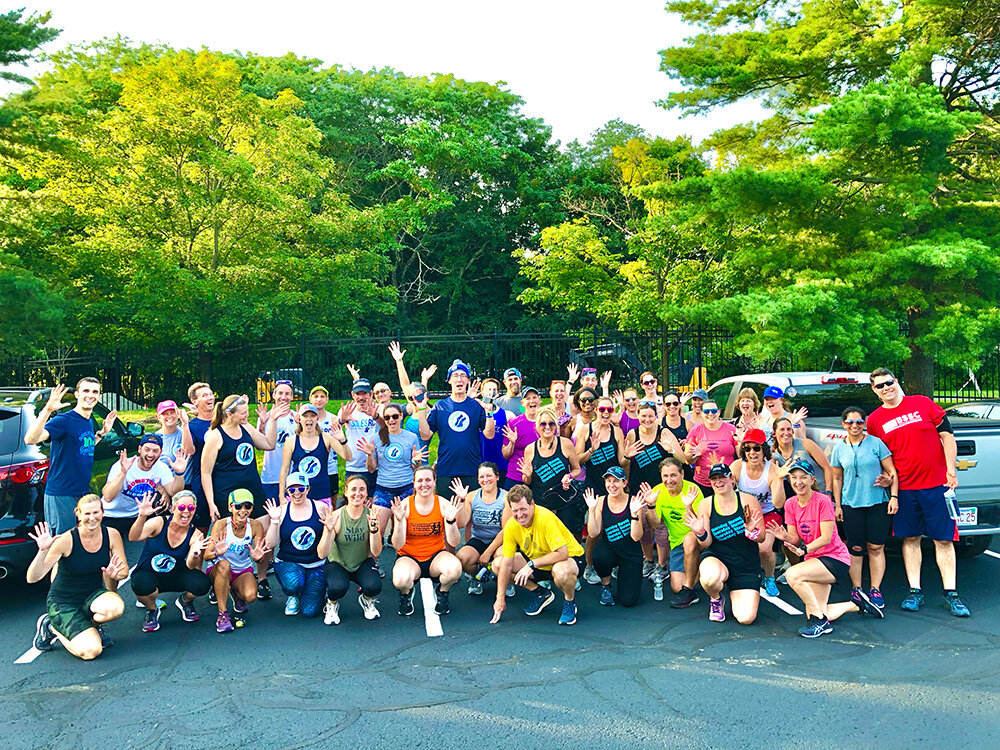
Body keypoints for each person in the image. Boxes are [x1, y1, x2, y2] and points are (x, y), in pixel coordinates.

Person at [866, 367, 969, 616]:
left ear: (896, 381)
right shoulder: (874, 420)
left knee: (944, 539)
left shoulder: (922, 404)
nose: (886, 388)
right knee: (911, 539)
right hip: (905, 489)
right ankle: (915, 591)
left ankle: (951, 594)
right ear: (874, 390)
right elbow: (879, 455)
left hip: (937, 486)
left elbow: (947, 436)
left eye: (888, 382)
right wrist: (886, 479)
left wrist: (951, 471)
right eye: (879, 386)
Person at [768, 459, 883, 637]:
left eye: (803, 477)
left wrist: (805, 550)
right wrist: (785, 537)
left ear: (812, 480)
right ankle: (857, 604)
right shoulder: (790, 504)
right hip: (813, 561)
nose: (798, 482)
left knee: (792, 575)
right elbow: (795, 538)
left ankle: (820, 623)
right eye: (794, 478)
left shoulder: (823, 501)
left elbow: (826, 537)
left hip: (835, 559)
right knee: (817, 610)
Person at [201, 394, 284, 600]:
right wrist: (211, 503)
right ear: (230, 414)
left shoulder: (246, 428)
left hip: (254, 493)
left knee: (262, 537)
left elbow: (269, 444)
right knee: (223, 540)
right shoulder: (215, 435)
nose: (247, 413)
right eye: (244, 410)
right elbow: (205, 472)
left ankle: (262, 578)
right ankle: (220, 582)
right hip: (227, 497)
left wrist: (272, 420)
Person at [28, 495, 128, 660]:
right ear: (78, 514)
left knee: (115, 607)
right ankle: (53, 627)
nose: (92, 518)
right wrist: (43, 550)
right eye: (86, 514)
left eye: (96, 512)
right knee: (91, 651)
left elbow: (123, 570)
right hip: (64, 601)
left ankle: (91, 627)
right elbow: (33, 578)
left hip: (91, 595)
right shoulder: (66, 540)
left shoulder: (111, 534)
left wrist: (115, 574)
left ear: (103, 513)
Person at [24, 379, 118, 535]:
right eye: (86, 391)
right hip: (61, 493)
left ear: (99, 396)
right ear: (77, 394)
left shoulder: (87, 421)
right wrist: (47, 409)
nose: (90, 395)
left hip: (81, 492)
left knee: (76, 541)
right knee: (61, 542)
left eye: (95, 392)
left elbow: (83, 446)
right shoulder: (64, 421)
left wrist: (102, 433)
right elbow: (30, 439)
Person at [830, 406, 898, 613]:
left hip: (877, 502)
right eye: (850, 422)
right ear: (843, 424)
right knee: (856, 548)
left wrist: (893, 495)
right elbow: (836, 477)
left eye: (859, 422)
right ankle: (857, 589)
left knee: (876, 548)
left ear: (864, 424)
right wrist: (838, 504)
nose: (855, 426)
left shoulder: (876, 444)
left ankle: (875, 589)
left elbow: (892, 472)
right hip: (851, 504)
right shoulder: (838, 449)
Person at [490, 484, 586, 626]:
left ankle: (569, 602)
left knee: (562, 572)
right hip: (539, 561)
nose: (519, 515)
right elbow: (507, 564)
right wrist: (500, 599)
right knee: (498, 565)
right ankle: (541, 593)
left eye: (523, 509)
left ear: (532, 504)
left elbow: (562, 553)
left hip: (568, 559)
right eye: (515, 510)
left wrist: (532, 565)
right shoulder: (511, 525)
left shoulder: (545, 519)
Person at [686, 464, 764, 625]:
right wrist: (700, 532)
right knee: (709, 578)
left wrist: (751, 532)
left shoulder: (748, 500)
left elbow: (762, 537)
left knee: (746, 618)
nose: (718, 481)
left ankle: (736, 590)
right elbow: (707, 543)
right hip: (718, 558)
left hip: (745, 564)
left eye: (722, 477)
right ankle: (716, 599)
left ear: (732, 479)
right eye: (714, 479)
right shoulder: (706, 504)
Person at [128, 489, 211, 632]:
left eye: (190, 508)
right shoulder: (159, 523)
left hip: (175, 575)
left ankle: (185, 601)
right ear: (173, 509)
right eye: (181, 507)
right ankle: (152, 610)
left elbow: (191, 566)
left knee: (202, 584)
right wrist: (141, 516)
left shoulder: (196, 534)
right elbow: (134, 537)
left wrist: (195, 553)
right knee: (140, 584)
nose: (186, 511)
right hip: (149, 573)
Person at [391, 466, 463, 617]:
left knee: (455, 569)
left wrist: (450, 521)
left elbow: (454, 542)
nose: (424, 484)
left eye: (428, 480)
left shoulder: (443, 504)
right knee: (400, 580)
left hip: (435, 556)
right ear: (414, 483)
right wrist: (398, 521)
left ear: (435, 482)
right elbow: (397, 545)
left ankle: (442, 592)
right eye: (420, 481)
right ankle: (406, 594)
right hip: (409, 557)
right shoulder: (405, 505)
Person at [418, 359, 497, 497]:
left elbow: (489, 434)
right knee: (447, 513)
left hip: (471, 470)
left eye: (462, 375)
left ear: (467, 380)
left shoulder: (476, 406)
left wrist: (489, 413)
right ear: (449, 380)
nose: (459, 379)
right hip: (446, 471)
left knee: (470, 513)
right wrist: (421, 409)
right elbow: (425, 435)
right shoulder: (440, 406)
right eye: (455, 376)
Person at [624, 401, 683, 578]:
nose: (647, 419)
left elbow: (683, 459)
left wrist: (671, 450)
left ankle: (661, 564)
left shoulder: (663, 432)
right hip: (639, 487)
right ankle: (648, 560)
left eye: (650, 416)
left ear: (656, 417)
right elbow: (625, 462)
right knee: (643, 526)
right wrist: (627, 457)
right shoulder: (632, 434)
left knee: (661, 527)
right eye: (643, 416)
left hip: (661, 487)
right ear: (638, 417)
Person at [317, 474, 383, 624]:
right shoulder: (336, 516)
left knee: (374, 586)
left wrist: (374, 530)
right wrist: (328, 531)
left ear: (367, 493)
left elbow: (376, 552)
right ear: (346, 492)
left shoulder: (372, 516)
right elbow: (322, 554)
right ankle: (331, 604)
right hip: (338, 563)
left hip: (361, 562)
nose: (357, 493)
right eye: (353, 489)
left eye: (362, 490)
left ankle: (367, 600)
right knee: (338, 587)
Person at [729, 428, 786, 597]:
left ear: (764, 449)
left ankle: (769, 577)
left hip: (768, 513)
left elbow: (778, 503)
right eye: (747, 448)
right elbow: (726, 492)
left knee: (764, 549)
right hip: (745, 514)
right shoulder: (738, 466)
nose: (752, 453)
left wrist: (780, 480)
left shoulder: (773, 470)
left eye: (756, 448)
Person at [357, 402, 424, 546]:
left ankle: (406, 560)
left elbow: (415, 467)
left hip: (406, 487)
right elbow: (371, 468)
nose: (391, 420)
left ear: (401, 416)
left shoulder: (411, 437)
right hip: (384, 489)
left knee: (407, 531)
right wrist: (370, 455)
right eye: (387, 418)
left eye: (395, 416)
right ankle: (373, 564)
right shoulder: (376, 438)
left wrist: (417, 461)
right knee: (376, 531)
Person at [204, 489, 269, 633]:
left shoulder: (256, 525)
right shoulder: (221, 525)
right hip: (219, 569)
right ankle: (222, 614)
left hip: (242, 569)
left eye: (248, 506)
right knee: (225, 565)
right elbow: (206, 555)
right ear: (230, 507)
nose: (243, 510)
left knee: (251, 596)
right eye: (238, 506)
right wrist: (217, 552)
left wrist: (259, 558)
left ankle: (234, 592)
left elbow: (260, 557)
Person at [264, 473, 328, 618]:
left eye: (300, 489)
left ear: (308, 489)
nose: (296, 493)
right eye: (292, 490)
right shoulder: (282, 510)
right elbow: (270, 544)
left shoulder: (320, 507)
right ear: (287, 492)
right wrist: (274, 520)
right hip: (289, 561)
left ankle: (316, 590)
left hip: (316, 564)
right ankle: (293, 595)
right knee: (294, 584)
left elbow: (329, 536)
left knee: (310, 611)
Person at [578, 396, 627, 584]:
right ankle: (589, 565)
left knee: (616, 526)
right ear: (596, 410)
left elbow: (621, 461)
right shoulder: (585, 430)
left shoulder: (617, 432)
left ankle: (614, 564)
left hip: (613, 486)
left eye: (610, 410)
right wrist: (592, 449)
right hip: (593, 485)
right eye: (602, 410)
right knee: (594, 530)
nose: (606, 413)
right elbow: (578, 459)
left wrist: (628, 457)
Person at [644, 457, 704, 608]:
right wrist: (651, 505)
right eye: (665, 476)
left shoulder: (692, 490)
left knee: (689, 540)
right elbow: (654, 523)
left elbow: (700, 526)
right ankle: (700, 568)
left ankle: (689, 590)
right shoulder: (658, 491)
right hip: (677, 543)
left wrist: (688, 506)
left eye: (673, 475)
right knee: (677, 587)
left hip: (697, 540)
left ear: (682, 474)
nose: (669, 480)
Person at [584, 467, 645, 607]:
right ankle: (606, 585)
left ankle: (623, 572)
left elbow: (636, 537)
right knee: (599, 556)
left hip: (630, 553)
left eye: (616, 481)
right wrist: (592, 510)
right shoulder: (600, 501)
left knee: (628, 601)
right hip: (609, 549)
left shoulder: (634, 501)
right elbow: (593, 533)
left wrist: (635, 514)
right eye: (608, 481)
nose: (612, 485)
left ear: (624, 483)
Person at [101, 436, 184, 538]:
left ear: (161, 452)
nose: (150, 454)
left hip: (137, 515)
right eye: (147, 449)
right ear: (139, 449)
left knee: (162, 532)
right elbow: (108, 496)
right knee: (110, 545)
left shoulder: (161, 468)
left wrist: (179, 473)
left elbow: (174, 492)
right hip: (112, 515)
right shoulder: (123, 465)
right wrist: (123, 473)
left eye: (155, 451)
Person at [520, 405, 583, 533]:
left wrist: (569, 476)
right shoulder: (530, 449)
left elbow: (577, 469)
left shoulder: (565, 444)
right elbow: (527, 482)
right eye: (543, 424)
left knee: (566, 540)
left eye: (551, 423)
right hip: (541, 504)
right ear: (537, 426)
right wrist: (527, 476)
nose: (547, 427)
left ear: (556, 426)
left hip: (565, 503)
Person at [452, 463, 510, 595]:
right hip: (479, 539)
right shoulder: (472, 497)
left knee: (503, 557)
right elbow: (461, 524)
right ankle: (477, 576)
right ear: (478, 480)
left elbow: (506, 530)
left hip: (499, 540)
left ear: (497, 477)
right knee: (462, 557)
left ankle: (506, 580)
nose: (485, 480)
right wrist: (461, 499)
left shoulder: (506, 498)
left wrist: (487, 553)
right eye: (481, 477)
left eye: (489, 475)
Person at [280, 402, 351, 506]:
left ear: (317, 419)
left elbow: (348, 457)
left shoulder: (326, 438)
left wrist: (343, 440)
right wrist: (281, 496)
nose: (309, 419)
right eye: (305, 416)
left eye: (312, 416)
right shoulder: (291, 441)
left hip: (321, 493)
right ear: (299, 419)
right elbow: (285, 470)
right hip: (297, 494)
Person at [684, 399, 740, 498]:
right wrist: (695, 455)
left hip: (726, 481)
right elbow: (688, 461)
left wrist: (741, 441)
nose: (710, 414)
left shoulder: (731, 429)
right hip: (703, 482)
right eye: (706, 411)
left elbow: (740, 457)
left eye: (714, 411)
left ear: (719, 412)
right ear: (701, 413)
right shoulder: (695, 431)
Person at [338, 379, 385, 496]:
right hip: (353, 465)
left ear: (371, 394)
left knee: (372, 502)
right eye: (358, 394)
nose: (361, 397)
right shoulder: (347, 410)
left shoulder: (378, 408)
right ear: (353, 395)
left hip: (374, 465)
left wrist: (375, 416)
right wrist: (342, 420)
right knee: (353, 501)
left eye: (364, 393)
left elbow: (387, 427)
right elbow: (334, 430)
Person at [181, 381, 215, 528]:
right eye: (204, 395)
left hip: (225, 480)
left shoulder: (223, 422)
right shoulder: (192, 426)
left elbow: (235, 408)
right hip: (201, 483)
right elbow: (189, 451)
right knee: (202, 528)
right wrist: (184, 424)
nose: (210, 397)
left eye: (211, 394)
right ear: (195, 401)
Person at [771, 416, 833, 493]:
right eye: (782, 430)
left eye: (789, 429)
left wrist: (828, 492)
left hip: (821, 494)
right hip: (801, 499)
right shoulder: (775, 457)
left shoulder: (806, 444)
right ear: (774, 433)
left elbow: (827, 467)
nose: (786, 433)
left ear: (793, 431)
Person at [501, 385, 541, 490]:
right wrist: (512, 442)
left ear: (540, 400)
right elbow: (505, 454)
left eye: (534, 397)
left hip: (541, 476)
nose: (531, 401)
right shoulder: (514, 423)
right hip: (517, 475)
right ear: (522, 403)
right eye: (528, 398)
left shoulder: (547, 423)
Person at [308, 386, 343, 501]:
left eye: (322, 396)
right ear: (310, 399)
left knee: (331, 503)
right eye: (316, 396)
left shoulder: (333, 419)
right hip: (311, 467)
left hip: (330, 468)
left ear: (327, 400)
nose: (319, 399)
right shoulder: (304, 419)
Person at [476, 378, 510, 481]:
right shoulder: (474, 412)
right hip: (479, 464)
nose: (491, 392)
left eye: (494, 390)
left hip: (500, 464)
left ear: (498, 393)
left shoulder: (507, 415)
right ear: (482, 392)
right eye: (488, 389)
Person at [154, 400, 194, 470]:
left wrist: (185, 423)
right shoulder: (155, 438)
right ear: (159, 417)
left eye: (172, 412)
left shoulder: (185, 431)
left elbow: (189, 452)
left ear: (177, 414)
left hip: (186, 480)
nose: (169, 416)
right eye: (165, 414)